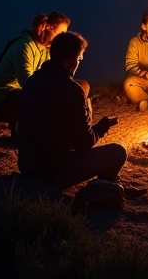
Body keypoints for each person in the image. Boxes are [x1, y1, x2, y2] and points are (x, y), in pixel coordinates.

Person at [16, 31, 130, 191]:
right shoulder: (72, 90)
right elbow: (84, 142)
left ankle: (110, 183)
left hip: (27, 166)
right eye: (79, 59)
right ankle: (106, 186)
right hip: (53, 172)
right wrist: (101, 127)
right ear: (71, 62)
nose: (79, 63)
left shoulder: (32, 81)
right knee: (118, 152)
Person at [0, 12, 79, 135]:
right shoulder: (24, 46)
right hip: (3, 101)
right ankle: (23, 127)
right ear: (47, 28)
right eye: (60, 33)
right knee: (51, 96)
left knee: (80, 87)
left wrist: (73, 63)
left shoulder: (46, 49)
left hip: (26, 94)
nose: (62, 38)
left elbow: (58, 77)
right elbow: (28, 83)